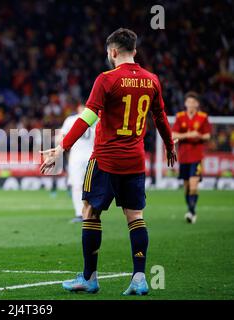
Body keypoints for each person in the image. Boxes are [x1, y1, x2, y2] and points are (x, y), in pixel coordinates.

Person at [40, 28, 176, 295]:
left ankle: (89, 277)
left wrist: (62, 147)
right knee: (135, 216)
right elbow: (160, 118)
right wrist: (170, 145)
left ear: (113, 52)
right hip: (135, 160)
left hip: (105, 159)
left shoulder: (106, 79)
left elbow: (88, 117)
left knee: (90, 210)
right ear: (134, 51)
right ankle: (139, 277)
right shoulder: (152, 80)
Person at [172, 92, 211, 224]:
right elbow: (173, 134)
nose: (191, 104)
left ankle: (191, 212)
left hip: (197, 157)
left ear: (197, 104)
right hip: (183, 157)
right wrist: (189, 134)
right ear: (185, 104)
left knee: (194, 186)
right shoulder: (180, 117)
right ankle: (190, 210)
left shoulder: (203, 117)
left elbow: (207, 136)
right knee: (187, 187)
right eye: (189, 102)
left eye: (193, 102)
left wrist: (198, 135)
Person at [60, 104, 96, 223]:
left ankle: (80, 214)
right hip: (92, 155)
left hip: (76, 157)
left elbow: (61, 137)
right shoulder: (96, 119)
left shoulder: (71, 120)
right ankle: (92, 213)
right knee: (90, 186)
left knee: (77, 186)